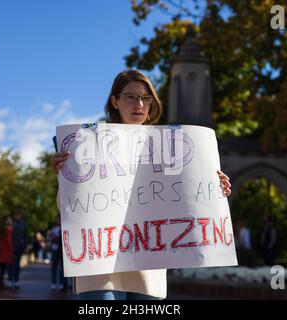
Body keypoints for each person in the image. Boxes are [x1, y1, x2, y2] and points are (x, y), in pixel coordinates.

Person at [51, 69, 232, 300]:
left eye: (145, 98)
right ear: (115, 101)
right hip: (100, 268)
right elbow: (69, 208)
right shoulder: (87, 144)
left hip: (148, 267)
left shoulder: (169, 147)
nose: (139, 104)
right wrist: (63, 178)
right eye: (130, 97)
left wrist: (216, 191)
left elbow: (186, 200)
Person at [8, 210, 28, 289]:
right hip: (10, 247)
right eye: (16, 215)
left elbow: (26, 236)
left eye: (18, 214)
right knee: (10, 264)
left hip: (19, 247)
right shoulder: (11, 224)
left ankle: (16, 281)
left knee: (17, 265)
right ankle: (10, 280)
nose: (17, 216)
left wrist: (24, 246)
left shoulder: (24, 225)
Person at [0, 217, 13, 290]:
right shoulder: (9, 230)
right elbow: (9, 241)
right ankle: (1, 282)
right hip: (6, 251)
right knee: (3, 267)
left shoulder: (1, 229)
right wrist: (11, 249)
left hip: (0, 250)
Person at [49, 219, 68, 290]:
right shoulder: (53, 229)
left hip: (61, 250)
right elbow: (50, 238)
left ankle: (61, 283)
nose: (58, 221)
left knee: (61, 268)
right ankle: (53, 283)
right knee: (54, 266)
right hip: (54, 249)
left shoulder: (64, 228)